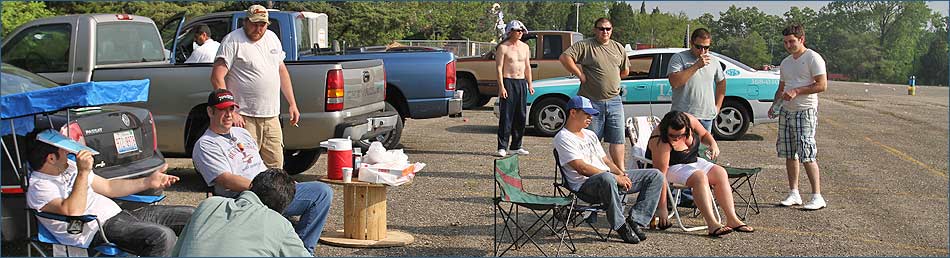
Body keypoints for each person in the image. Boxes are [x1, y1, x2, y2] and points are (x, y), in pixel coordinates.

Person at [192, 89, 332, 254]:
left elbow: (260, 166)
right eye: (223, 109)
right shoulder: (206, 144)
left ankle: (303, 250)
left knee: (322, 192)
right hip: (244, 198)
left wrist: (283, 183)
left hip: (270, 188)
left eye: (231, 109)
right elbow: (226, 180)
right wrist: (266, 188)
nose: (229, 114)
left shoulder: (242, 132)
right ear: (210, 111)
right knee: (278, 207)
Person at [25, 131, 194, 256]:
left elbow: (108, 187)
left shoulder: (69, 166)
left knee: (193, 215)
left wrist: (148, 181)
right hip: (99, 229)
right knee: (162, 237)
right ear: (51, 158)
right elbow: (73, 211)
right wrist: (83, 173)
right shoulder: (39, 186)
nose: (68, 153)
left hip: (121, 214)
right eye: (63, 150)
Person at [554, 95, 663, 244]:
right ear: (573, 113)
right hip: (585, 187)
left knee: (655, 175)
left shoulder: (590, 134)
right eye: (587, 114)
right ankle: (620, 225)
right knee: (607, 178)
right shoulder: (563, 137)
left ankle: (636, 221)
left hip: (608, 179)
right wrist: (615, 177)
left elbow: (605, 160)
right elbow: (582, 168)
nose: (590, 118)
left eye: (591, 114)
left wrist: (620, 173)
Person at [211, 5, 300, 168]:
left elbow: (282, 72)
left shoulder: (272, 38)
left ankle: (274, 194)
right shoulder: (232, 40)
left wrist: (292, 104)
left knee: (276, 167)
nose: (258, 29)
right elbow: (217, 77)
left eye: (262, 25)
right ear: (245, 22)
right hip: (244, 117)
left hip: (271, 116)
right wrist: (231, 111)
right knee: (246, 166)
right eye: (254, 24)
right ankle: (248, 194)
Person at [646, 111, 753, 237]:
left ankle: (732, 219)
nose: (676, 138)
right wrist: (662, 208)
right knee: (699, 177)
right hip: (671, 166)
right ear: (665, 130)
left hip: (692, 161)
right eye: (672, 135)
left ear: (686, 128)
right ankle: (712, 224)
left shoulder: (690, 120)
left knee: (720, 172)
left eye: (681, 135)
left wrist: (713, 144)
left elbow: (704, 134)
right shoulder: (660, 141)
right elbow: (660, 176)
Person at [172, 169, 311, 257]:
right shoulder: (280, 224)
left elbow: (176, 253)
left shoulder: (208, 204)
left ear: (251, 186)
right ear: (283, 207)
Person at [769, 24, 828, 210]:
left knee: (807, 152)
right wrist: (775, 105)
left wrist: (798, 91)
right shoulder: (786, 62)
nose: (788, 45)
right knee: (789, 152)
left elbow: (822, 85)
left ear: (801, 39)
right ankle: (794, 192)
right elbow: (782, 87)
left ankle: (817, 196)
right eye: (786, 42)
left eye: (792, 41)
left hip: (805, 110)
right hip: (787, 111)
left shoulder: (813, 58)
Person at [559, 17, 630, 169]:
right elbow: (564, 58)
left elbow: (625, 71)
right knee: (589, 140)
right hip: (591, 101)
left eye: (608, 29)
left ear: (612, 30)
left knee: (618, 139)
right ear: (595, 30)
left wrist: (612, 80)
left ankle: (621, 171)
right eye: (601, 28)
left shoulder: (618, 48)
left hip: (614, 100)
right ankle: (592, 171)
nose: (605, 31)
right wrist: (579, 74)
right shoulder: (586, 45)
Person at [667, 28, 726, 132]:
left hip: (706, 117)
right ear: (691, 43)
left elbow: (721, 83)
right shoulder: (679, 58)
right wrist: (696, 66)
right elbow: (675, 82)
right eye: (698, 47)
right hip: (683, 117)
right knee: (683, 148)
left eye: (706, 47)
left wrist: (717, 107)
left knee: (703, 148)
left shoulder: (714, 61)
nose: (702, 51)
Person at [495, 20, 534, 157]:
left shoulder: (525, 47)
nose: (520, 33)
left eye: (521, 31)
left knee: (521, 115)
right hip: (508, 81)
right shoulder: (503, 47)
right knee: (506, 116)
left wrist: (530, 84)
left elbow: (527, 67)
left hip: (521, 82)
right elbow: (499, 68)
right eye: (518, 30)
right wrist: (502, 87)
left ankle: (516, 145)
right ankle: (502, 146)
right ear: (510, 31)